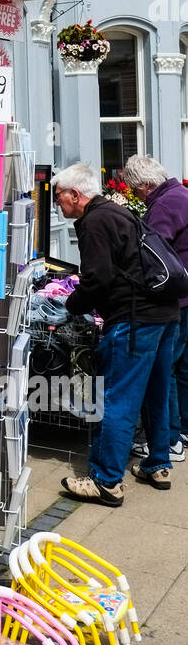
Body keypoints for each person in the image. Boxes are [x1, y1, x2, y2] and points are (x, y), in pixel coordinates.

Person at [53, 162, 179, 505]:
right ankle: (158, 464)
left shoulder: (94, 221)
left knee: (118, 399)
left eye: (58, 197)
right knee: (156, 394)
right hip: (165, 315)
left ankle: (106, 481)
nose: (56, 204)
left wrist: (70, 305)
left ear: (75, 195)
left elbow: (98, 279)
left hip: (134, 319)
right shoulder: (116, 212)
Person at [121, 155, 188, 463]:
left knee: (167, 371)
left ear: (146, 185)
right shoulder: (182, 194)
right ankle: (182, 431)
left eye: (135, 190)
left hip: (176, 299)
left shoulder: (163, 205)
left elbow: (150, 254)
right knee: (183, 368)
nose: (134, 195)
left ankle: (170, 440)